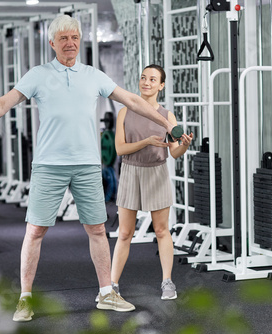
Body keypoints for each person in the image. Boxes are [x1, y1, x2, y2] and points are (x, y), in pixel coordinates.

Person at [0, 16, 178, 322]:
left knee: (98, 229)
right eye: (63, 39)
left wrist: (166, 123)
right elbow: (4, 102)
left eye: (74, 37)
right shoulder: (38, 75)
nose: (70, 43)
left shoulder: (92, 75)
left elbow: (131, 99)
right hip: (49, 166)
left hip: (87, 165)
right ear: (52, 43)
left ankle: (106, 293)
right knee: (35, 231)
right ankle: (25, 298)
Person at [110, 64, 193, 300]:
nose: (146, 82)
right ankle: (112, 286)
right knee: (125, 233)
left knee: (161, 230)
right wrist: (146, 141)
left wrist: (184, 145)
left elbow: (174, 152)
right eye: (143, 77)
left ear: (161, 86)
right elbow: (119, 148)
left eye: (153, 79)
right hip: (130, 171)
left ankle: (168, 282)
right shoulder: (125, 112)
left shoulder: (168, 116)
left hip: (156, 172)